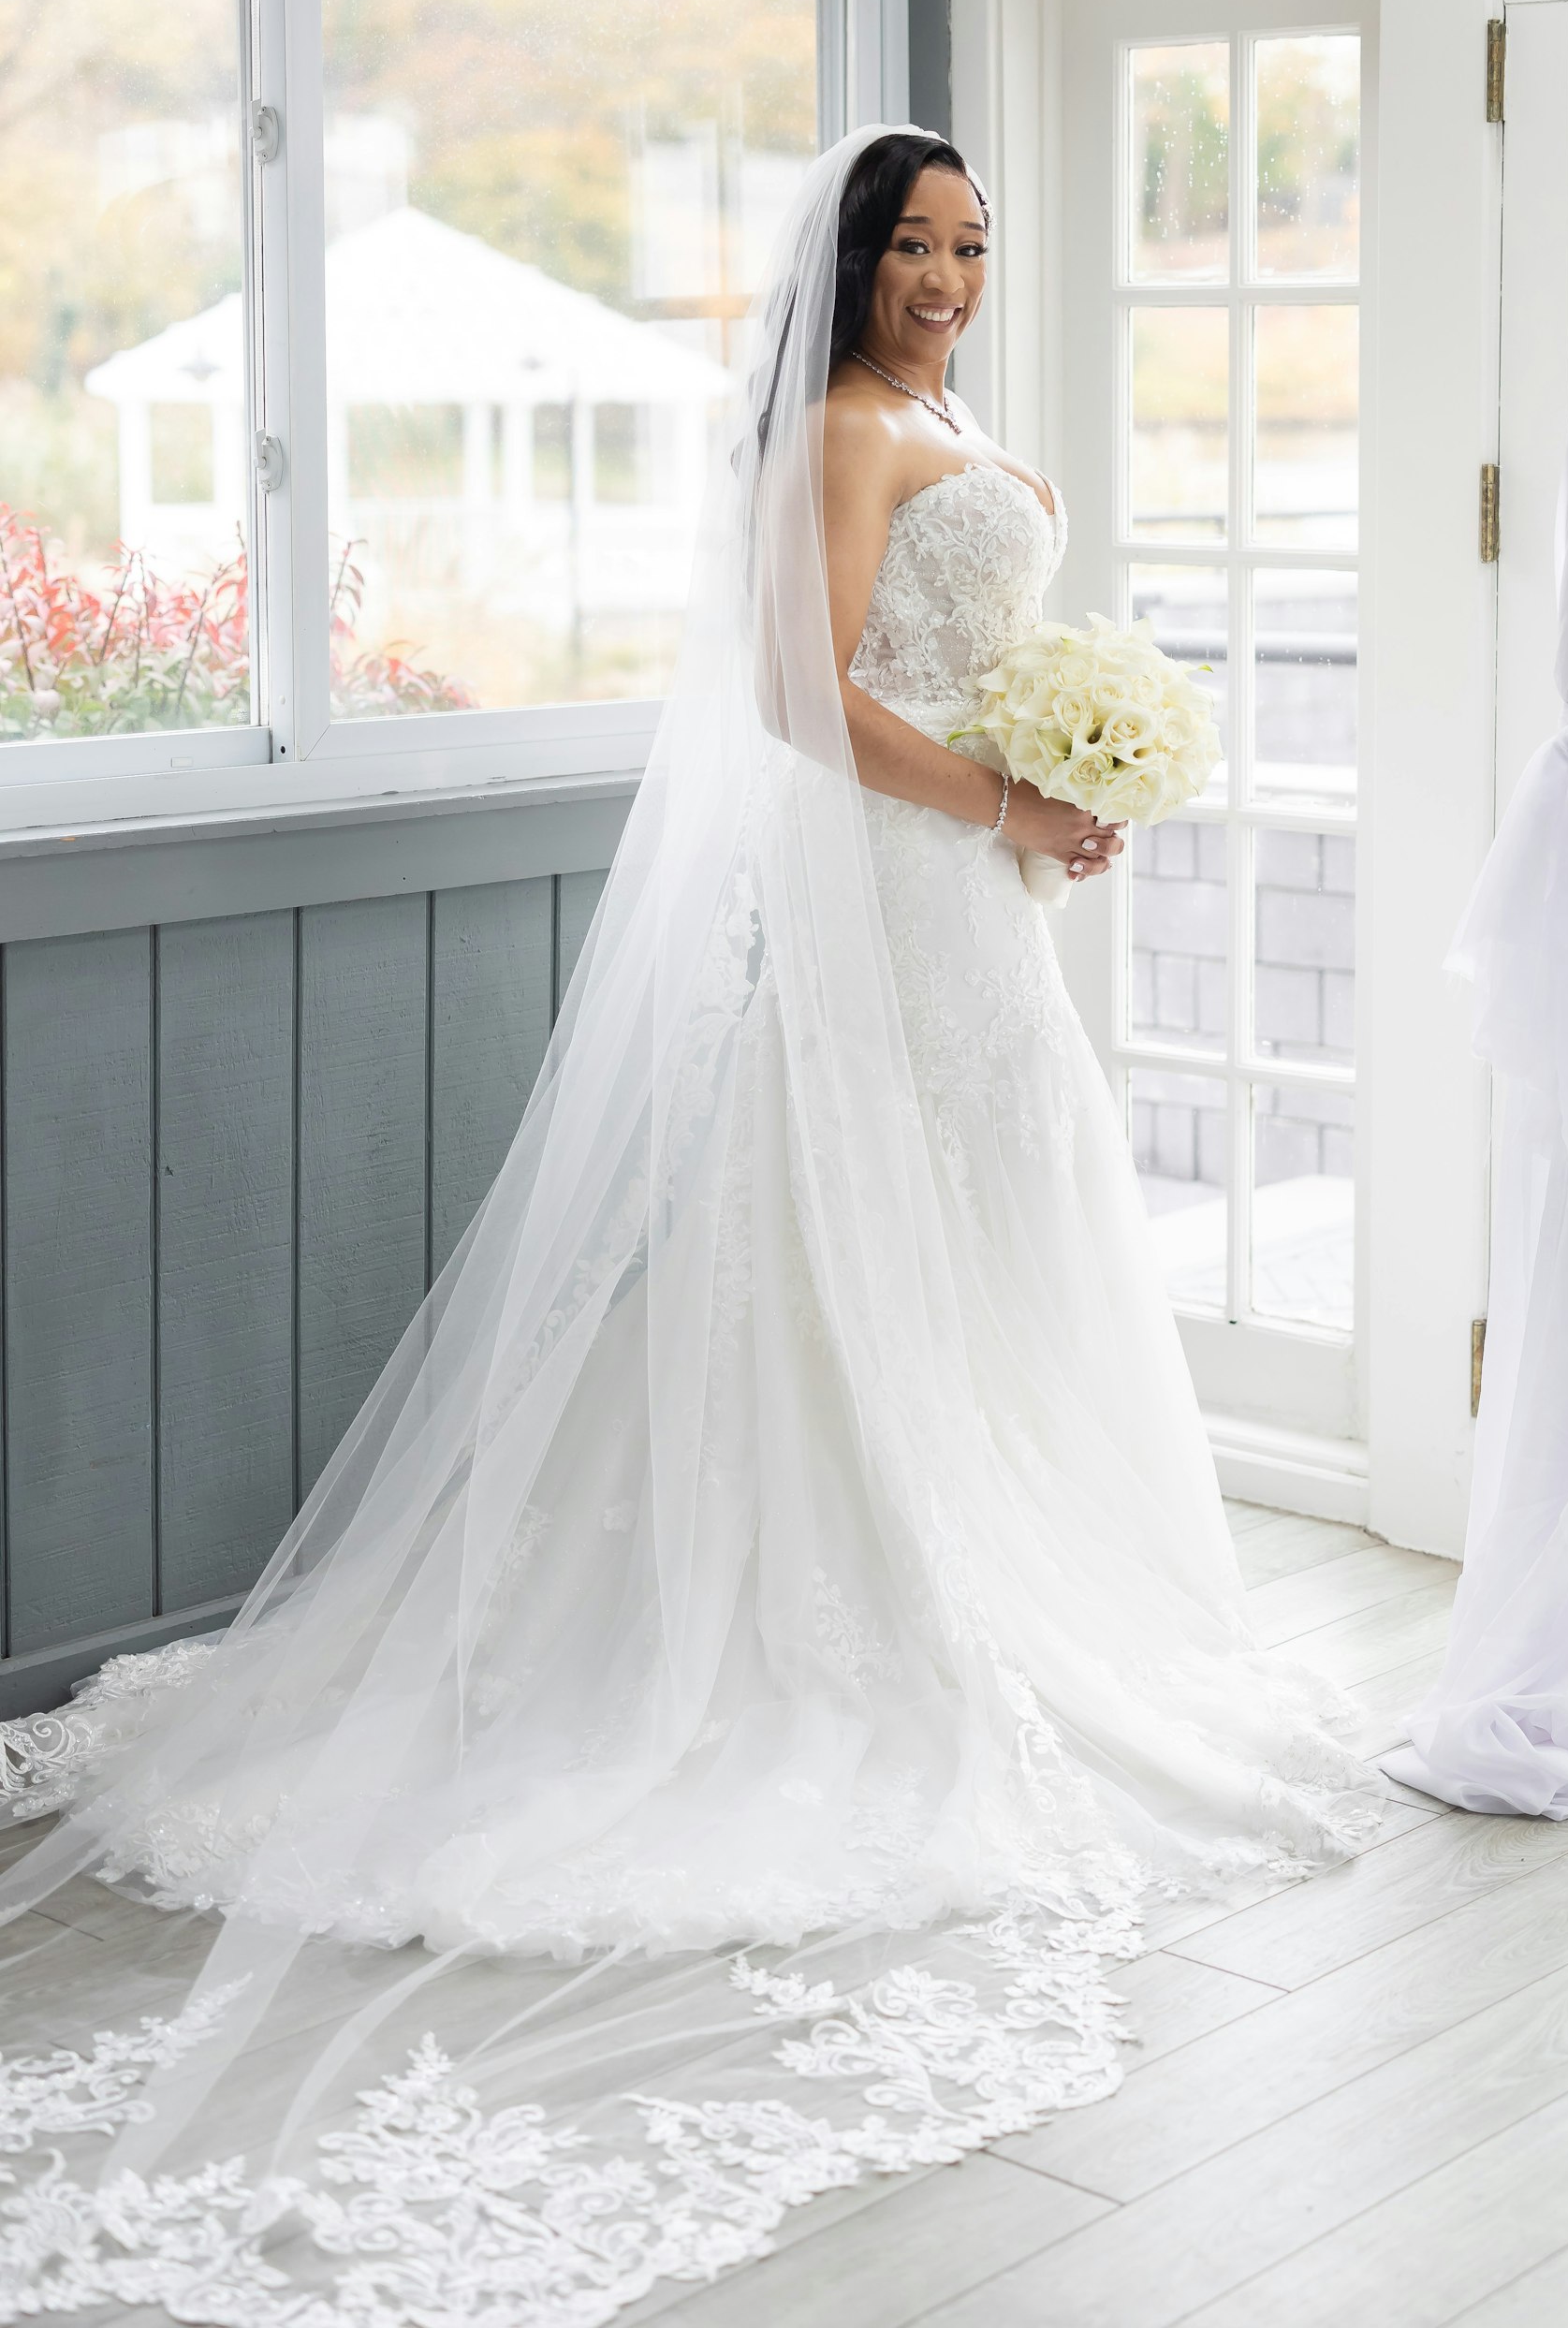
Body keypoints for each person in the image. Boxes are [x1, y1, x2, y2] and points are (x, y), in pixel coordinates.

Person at [0, 126, 1380, 2320]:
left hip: (974, 898)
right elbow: (796, 698)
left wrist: (1063, 783)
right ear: (847, 264)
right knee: (871, 1232)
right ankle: (865, 1606)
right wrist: (1011, 792)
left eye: (971, 247)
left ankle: (1021, 1571)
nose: (946, 279)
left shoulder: (943, 419)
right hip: (901, 894)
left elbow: (949, 663)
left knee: (1000, 1224)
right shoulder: (842, 429)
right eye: (913, 246)